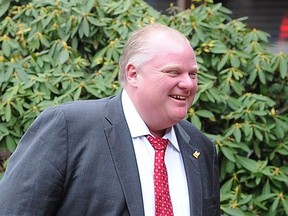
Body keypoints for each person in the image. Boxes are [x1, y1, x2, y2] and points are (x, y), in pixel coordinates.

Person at [0, 23, 220, 216]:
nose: (188, 84)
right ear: (133, 74)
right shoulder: (69, 128)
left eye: (192, 74)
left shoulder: (201, 148)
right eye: (173, 72)